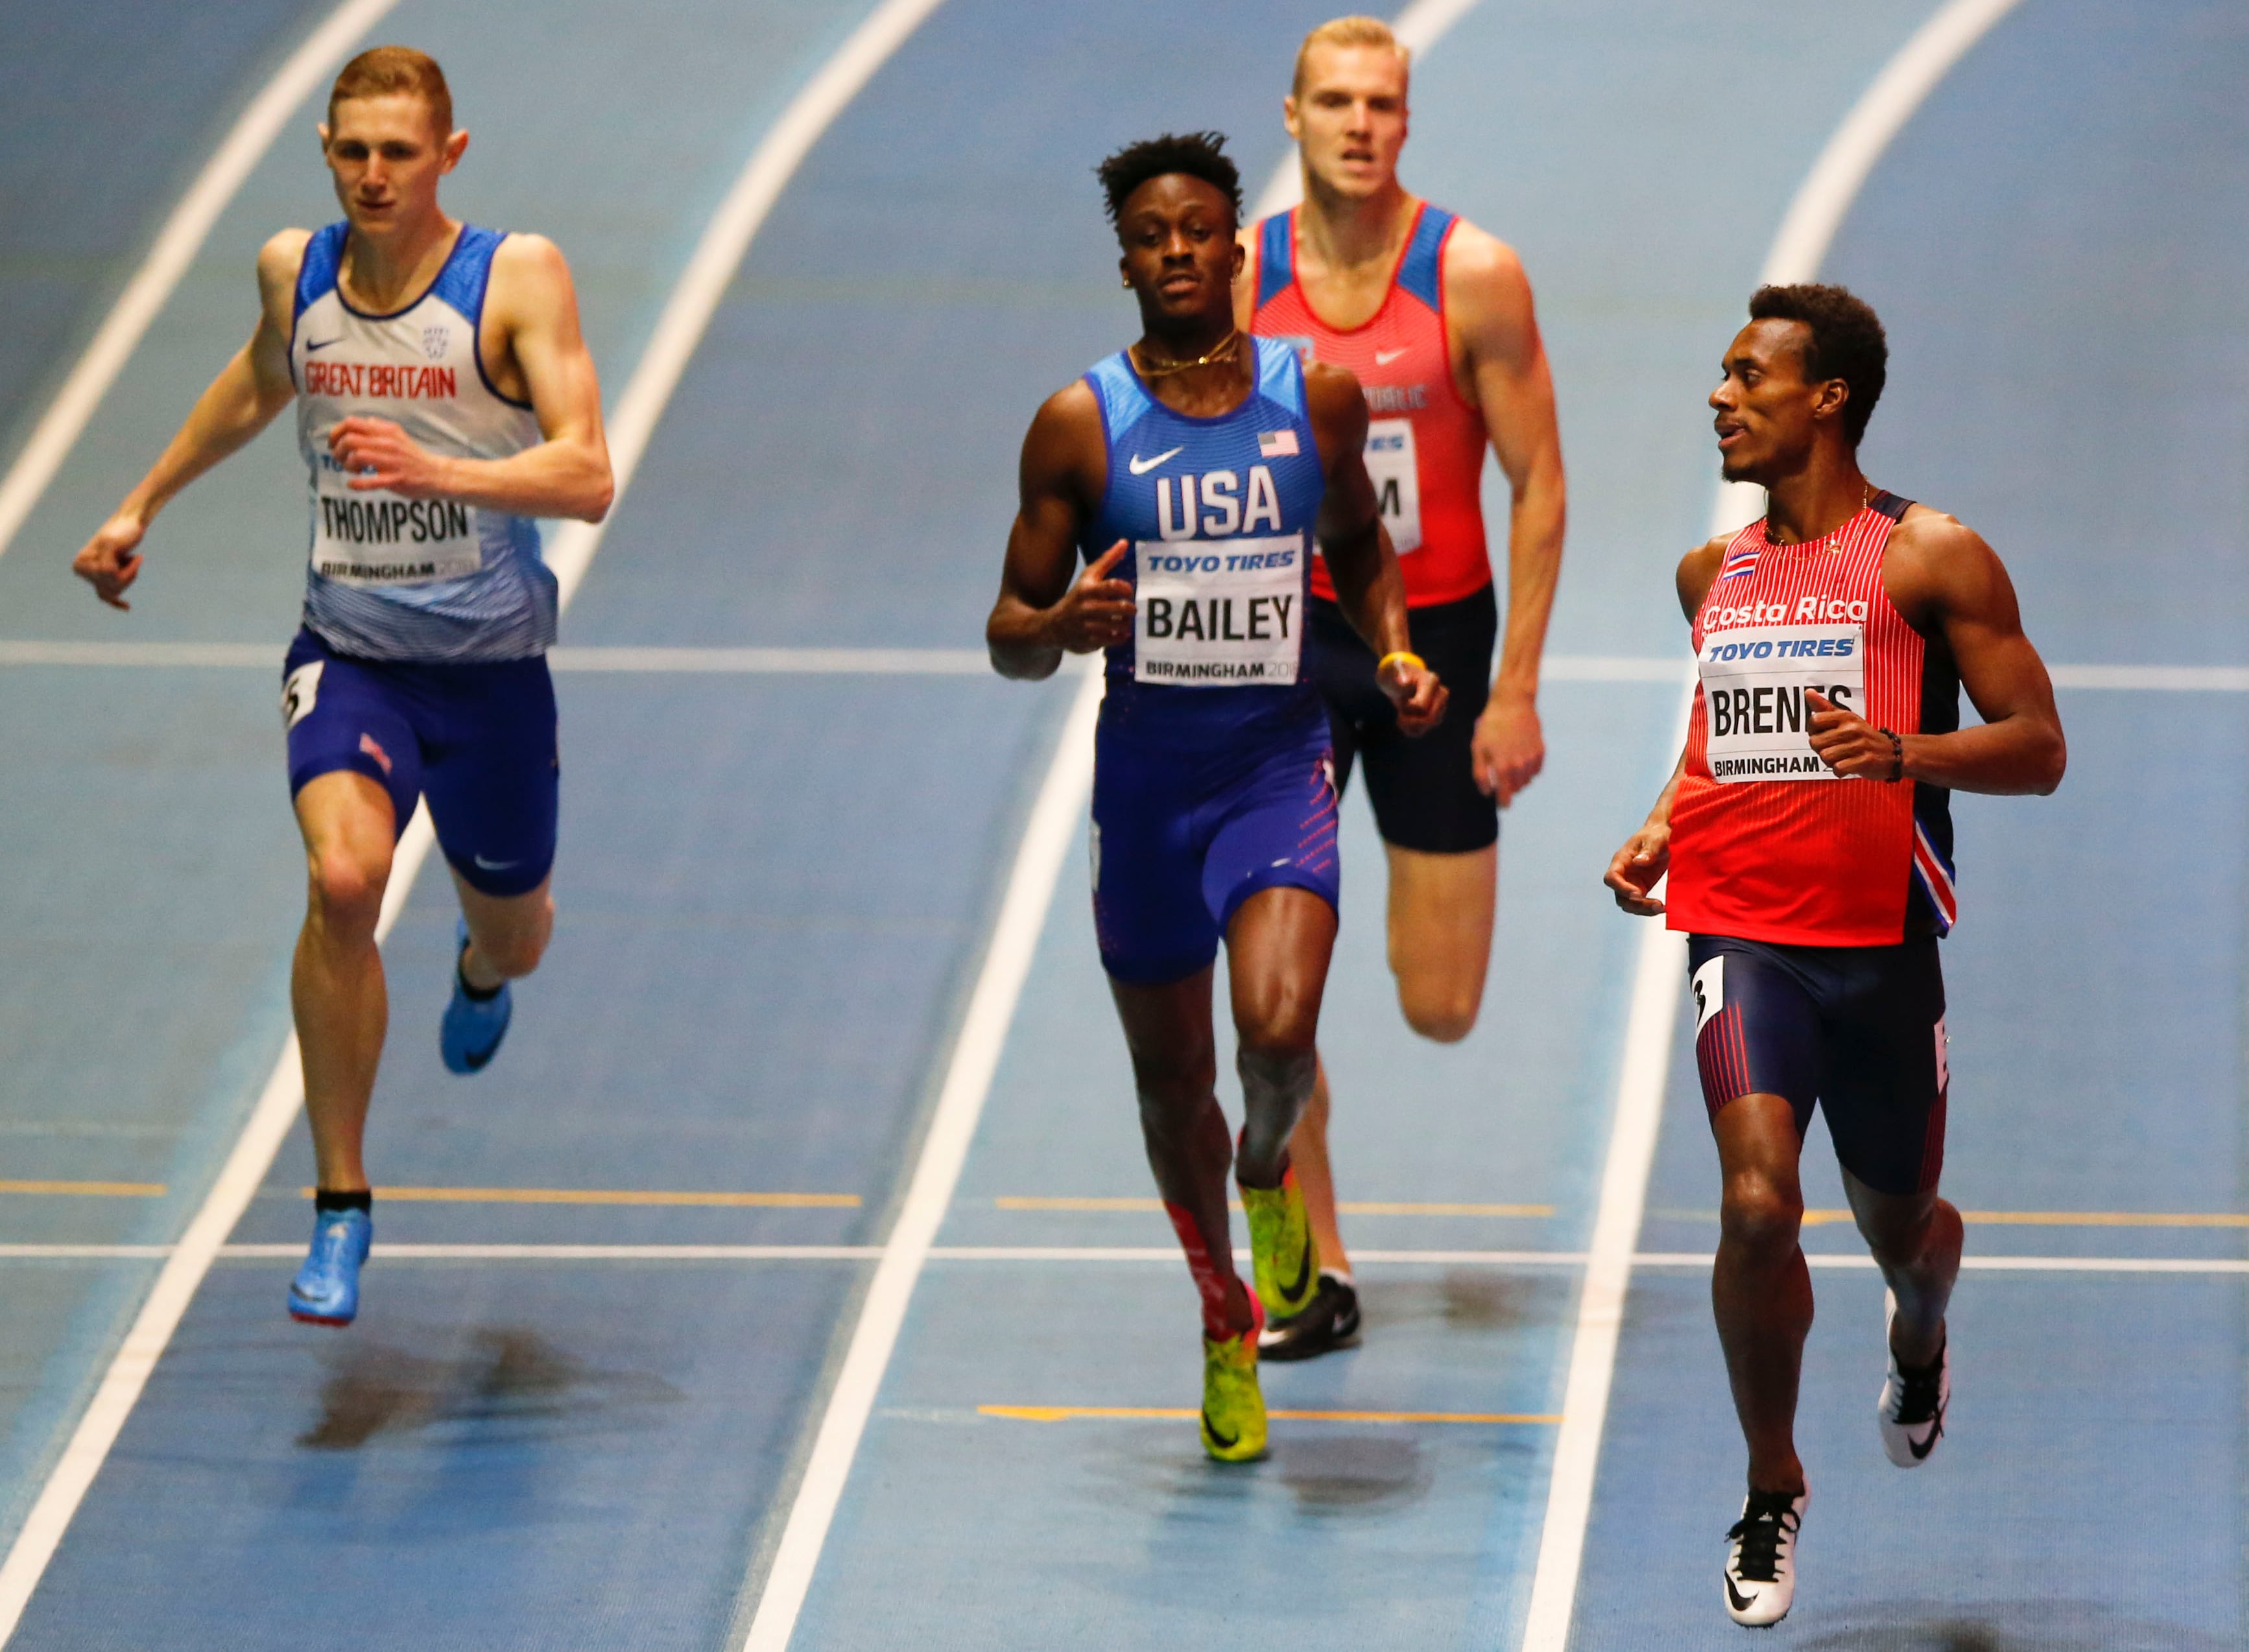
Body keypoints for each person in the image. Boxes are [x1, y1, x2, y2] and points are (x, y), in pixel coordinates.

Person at [71, 47, 613, 1327]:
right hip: (350, 656)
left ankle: (481, 971)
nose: (374, 176)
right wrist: (142, 502)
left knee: (519, 934)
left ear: (449, 156)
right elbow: (265, 377)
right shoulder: (295, 271)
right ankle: (340, 1204)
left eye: (399, 153)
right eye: (354, 151)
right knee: (344, 882)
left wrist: (441, 471)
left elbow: (586, 474)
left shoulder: (515, 278)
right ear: (325, 149)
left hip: (490, 677)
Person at [1603, 285, 2064, 1626]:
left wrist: (1903, 752)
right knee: (1757, 1204)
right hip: (1745, 933)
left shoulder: (1930, 557)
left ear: (1829, 399)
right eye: (1721, 374)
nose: (1720, 395)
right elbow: (1720, 738)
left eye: (1749, 376)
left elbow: (2039, 747)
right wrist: (1660, 825)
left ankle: (1920, 1330)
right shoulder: (1711, 576)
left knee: (1904, 1231)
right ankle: (1772, 1484)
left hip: (1883, 947)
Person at [986, 132, 1444, 1461]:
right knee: (1169, 1079)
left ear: (1236, 248)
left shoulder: (1320, 399)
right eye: (1151, 236)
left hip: (1275, 764)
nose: (1176, 250)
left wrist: (1397, 651)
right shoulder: (1079, 424)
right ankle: (1223, 1320)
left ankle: (1267, 1172)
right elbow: (1008, 631)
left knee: (1279, 1032)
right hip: (1145, 789)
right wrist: (1058, 624)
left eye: (1197, 230)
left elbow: (1363, 548)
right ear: (1125, 262)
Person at [1238, 15, 1565, 1357]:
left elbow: (1539, 483)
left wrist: (1516, 689)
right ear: (1294, 116)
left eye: (1381, 103)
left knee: (1441, 1003)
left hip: (1441, 641)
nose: (1360, 125)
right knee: (1272, 993)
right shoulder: (1236, 280)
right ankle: (1313, 1268)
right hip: (1288, 647)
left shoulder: (1472, 275)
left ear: (1407, 119)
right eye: (1336, 102)